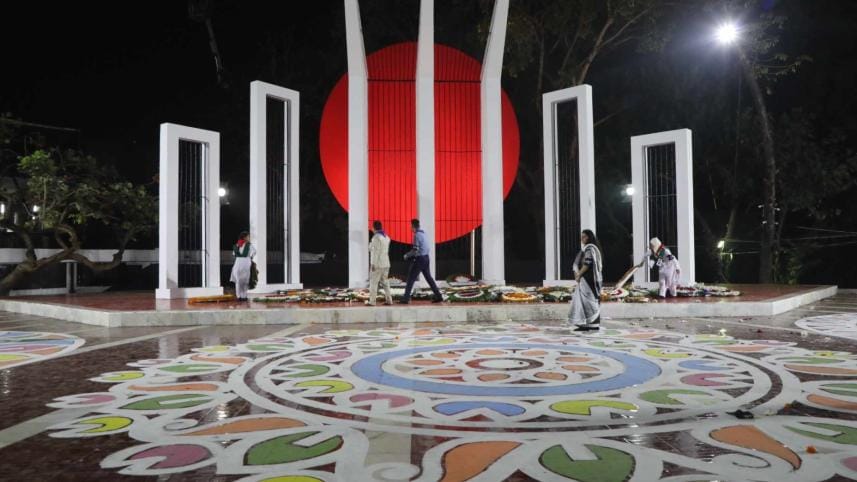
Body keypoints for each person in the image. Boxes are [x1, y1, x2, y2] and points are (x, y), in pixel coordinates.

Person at [399, 219, 444, 304]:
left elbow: (415, 250)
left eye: (411, 227)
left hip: (420, 259)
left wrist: (406, 255)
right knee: (429, 279)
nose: (410, 229)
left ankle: (406, 298)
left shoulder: (417, 235)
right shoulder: (424, 233)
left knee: (410, 279)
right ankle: (439, 296)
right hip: (426, 258)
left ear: (413, 226)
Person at [569, 229, 603, 331]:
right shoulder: (590, 248)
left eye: (583, 236)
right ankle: (586, 324)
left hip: (589, 279)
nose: (581, 238)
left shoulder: (590, 248)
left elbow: (587, 263)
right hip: (589, 279)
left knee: (590, 301)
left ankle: (592, 324)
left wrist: (579, 274)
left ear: (588, 237)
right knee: (586, 301)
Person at [367, 220, 393, 306]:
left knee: (373, 282)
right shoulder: (387, 237)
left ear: (374, 227)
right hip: (386, 263)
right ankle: (389, 300)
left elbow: (375, 252)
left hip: (378, 264)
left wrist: (373, 264)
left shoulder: (376, 238)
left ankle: (372, 301)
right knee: (385, 282)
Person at [230, 231, 256, 301]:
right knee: (240, 280)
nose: (249, 238)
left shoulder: (239, 245)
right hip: (244, 262)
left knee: (244, 280)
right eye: (248, 236)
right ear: (244, 237)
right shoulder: (246, 245)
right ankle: (240, 296)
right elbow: (254, 252)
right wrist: (250, 257)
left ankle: (243, 296)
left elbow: (234, 254)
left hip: (240, 262)